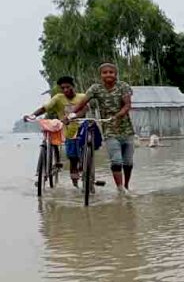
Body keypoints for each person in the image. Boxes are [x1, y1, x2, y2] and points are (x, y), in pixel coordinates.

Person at [68, 63, 134, 193]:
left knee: (128, 162)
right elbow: (82, 103)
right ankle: (120, 189)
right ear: (101, 75)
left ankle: (126, 185)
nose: (108, 74)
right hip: (109, 130)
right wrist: (72, 114)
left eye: (111, 72)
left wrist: (118, 116)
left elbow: (127, 105)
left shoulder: (123, 86)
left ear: (115, 74)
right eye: (105, 72)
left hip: (127, 129)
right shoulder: (95, 88)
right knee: (116, 160)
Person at [24, 76, 87, 187]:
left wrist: (74, 116)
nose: (66, 90)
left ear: (73, 86)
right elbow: (45, 108)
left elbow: (84, 110)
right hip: (66, 130)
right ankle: (66, 173)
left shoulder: (82, 97)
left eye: (68, 87)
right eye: (63, 88)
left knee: (78, 156)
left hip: (81, 128)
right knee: (70, 155)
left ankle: (79, 175)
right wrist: (33, 115)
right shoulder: (58, 98)